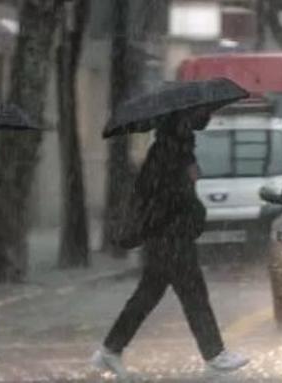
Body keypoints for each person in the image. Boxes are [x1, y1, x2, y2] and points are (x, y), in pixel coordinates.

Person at [91, 110, 249, 380]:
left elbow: (163, 194)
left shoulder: (174, 150)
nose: (200, 125)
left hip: (167, 236)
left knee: (148, 295)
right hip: (169, 237)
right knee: (193, 294)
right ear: (180, 124)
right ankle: (214, 354)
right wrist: (188, 185)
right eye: (193, 121)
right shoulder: (169, 153)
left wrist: (189, 179)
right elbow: (168, 198)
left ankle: (110, 349)